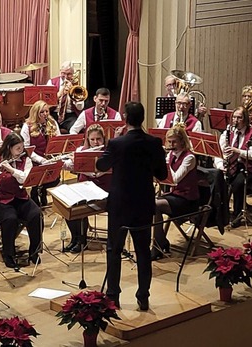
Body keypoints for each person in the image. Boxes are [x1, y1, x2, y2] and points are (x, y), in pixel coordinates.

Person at [96, 101, 167, 311]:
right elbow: (162, 174)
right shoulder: (154, 143)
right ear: (143, 118)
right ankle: (143, 297)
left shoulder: (118, 144)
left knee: (114, 250)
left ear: (125, 118)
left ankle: (113, 297)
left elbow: (101, 165)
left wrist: (112, 142)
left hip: (120, 205)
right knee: (143, 251)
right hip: (143, 203)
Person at [0, 133, 43, 268]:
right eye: (17, 148)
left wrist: (12, 170)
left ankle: (34, 251)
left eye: (22, 148)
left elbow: (25, 178)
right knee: (10, 219)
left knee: (36, 214)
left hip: (20, 197)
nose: (21, 151)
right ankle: (8, 255)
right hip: (0, 200)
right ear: (9, 148)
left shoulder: (25, 160)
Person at [152, 126, 199, 260]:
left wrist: (164, 163)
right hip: (176, 195)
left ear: (182, 142)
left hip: (187, 200)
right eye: (169, 142)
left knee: (155, 205)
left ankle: (158, 245)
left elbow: (175, 179)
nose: (171, 145)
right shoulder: (172, 154)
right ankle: (160, 243)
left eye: (174, 142)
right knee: (151, 203)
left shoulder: (189, 158)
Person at [63, 124, 111, 253]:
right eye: (92, 139)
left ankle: (82, 240)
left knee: (81, 206)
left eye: (99, 139)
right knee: (65, 204)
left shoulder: (108, 152)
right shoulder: (81, 151)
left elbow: (97, 173)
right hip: (84, 188)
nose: (96, 142)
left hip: (103, 190)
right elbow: (69, 165)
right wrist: (61, 163)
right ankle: (76, 238)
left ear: (103, 139)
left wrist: (82, 167)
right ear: (87, 140)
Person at [215, 107, 252, 228]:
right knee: (217, 179)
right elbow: (219, 152)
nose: (236, 120)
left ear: (245, 120)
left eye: (239, 117)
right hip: (230, 165)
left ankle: (237, 215)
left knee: (238, 183)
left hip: (248, 166)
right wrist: (221, 166)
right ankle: (220, 214)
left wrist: (237, 151)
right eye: (234, 117)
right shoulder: (227, 133)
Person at [20, 100, 61, 206]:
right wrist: (41, 160)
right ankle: (35, 195)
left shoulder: (52, 123)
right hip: (34, 161)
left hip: (50, 159)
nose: (45, 114)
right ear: (35, 113)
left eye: (47, 111)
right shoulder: (27, 126)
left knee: (56, 179)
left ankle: (42, 190)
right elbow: (26, 149)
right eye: (42, 112)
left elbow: (59, 141)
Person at [46, 61, 84, 132]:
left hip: (70, 115)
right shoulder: (51, 82)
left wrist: (72, 93)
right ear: (60, 72)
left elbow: (80, 107)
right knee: (49, 129)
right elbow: (47, 104)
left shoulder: (77, 86)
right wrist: (59, 94)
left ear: (73, 74)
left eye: (69, 74)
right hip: (53, 113)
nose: (66, 76)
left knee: (78, 129)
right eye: (63, 73)